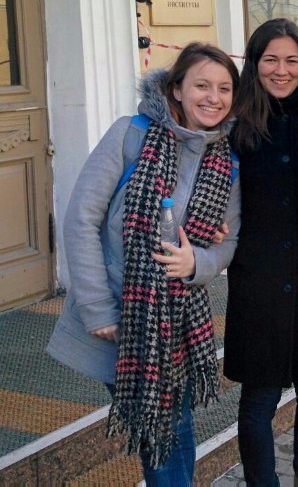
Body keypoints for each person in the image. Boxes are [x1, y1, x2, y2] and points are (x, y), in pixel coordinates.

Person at [47, 43, 241, 486]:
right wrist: (97, 307)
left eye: (224, 88)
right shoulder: (131, 135)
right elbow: (81, 219)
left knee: (176, 425)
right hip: (122, 315)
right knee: (161, 427)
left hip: (183, 322)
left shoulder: (228, 162)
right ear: (176, 89)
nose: (213, 98)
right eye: (202, 85)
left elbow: (229, 242)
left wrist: (197, 262)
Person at [223, 19, 298, 486]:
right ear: (254, 63)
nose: (282, 70)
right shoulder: (236, 124)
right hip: (259, 279)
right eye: (270, 59)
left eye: (292, 60)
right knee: (259, 398)